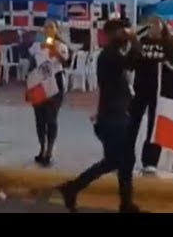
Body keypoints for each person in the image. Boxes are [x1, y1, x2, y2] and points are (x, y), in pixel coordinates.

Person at [57, 19, 143, 213]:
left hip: (116, 115)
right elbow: (132, 61)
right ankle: (73, 188)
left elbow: (132, 60)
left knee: (119, 160)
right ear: (112, 35)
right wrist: (134, 38)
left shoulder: (113, 54)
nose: (124, 36)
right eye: (121, 33)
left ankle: (74, 189)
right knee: (121, 160)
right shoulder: (109, 55)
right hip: (112, 117)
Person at [126, 16, 173, 176]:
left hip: (159, 90)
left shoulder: (167, 43)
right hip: (140, 89)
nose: (153, 27)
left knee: (154, 126)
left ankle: (150, 161)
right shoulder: (141, 42)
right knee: (132, 123)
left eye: (157, 25)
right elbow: (130, 64)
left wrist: (165, 62)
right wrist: (133, 44)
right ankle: (126, 157)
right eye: (151, 25)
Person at [27, 19, 69, 166]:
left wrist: (54, 51)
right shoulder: (36, 46)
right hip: (39, 85)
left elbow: (66, 62)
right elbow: (31, 64)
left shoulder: (61, 46)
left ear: (57, 30)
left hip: (55, 85)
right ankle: (42, 148)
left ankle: (50, 150)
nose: (48, 29)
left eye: (51, 27)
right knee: (40, 120)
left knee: (51, 119)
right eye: (45, 27)